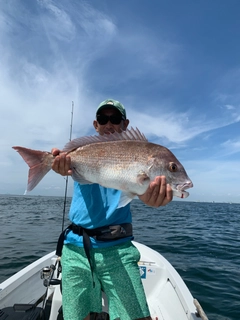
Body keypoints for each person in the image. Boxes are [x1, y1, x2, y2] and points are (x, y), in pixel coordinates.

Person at [52, 99, 173, 320]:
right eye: (103, 119)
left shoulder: (137, 154)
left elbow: (144, 192)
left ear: (125, 124)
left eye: (115, 119)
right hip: (76, 247)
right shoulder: (82, 153)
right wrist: (58, 163)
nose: (109, 124)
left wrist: (154, 198)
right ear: (95, 125)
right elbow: (66, 163)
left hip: (118, 249)